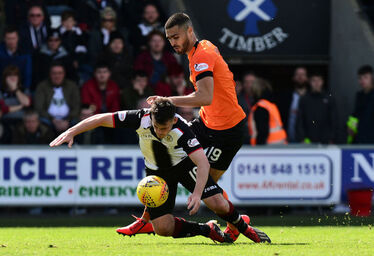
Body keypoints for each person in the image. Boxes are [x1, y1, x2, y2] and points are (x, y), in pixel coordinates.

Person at [50, 98, 271, 244]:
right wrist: (72, 131)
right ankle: (207, 230)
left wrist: (196, 194)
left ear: (174, 120)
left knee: (218, 203)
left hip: (184, 167)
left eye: (164, 128)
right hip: (157, 174)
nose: (159, 132)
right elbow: (101, 118)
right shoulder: (140, 117)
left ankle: (246, 230)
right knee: (163, 229)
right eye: (156, 126)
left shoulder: (183, 130)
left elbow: (203, 164)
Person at [121, 13, 247, 242]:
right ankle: (146, 219)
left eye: (176, 37)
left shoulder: (202, 55)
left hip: (227, 132)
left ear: (190, 31)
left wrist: (167, 100)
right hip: (207, 122)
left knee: (209, 188)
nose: (173, 43)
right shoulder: (200, 51)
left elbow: (205, 96)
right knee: (167, 154)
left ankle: (236, 223)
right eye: (169, 39)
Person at [34, 62, 80, 134]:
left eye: (60, 73)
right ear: (50, 74)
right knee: (39, 122)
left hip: (69, 119)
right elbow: (39, 108)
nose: (57, 76)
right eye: (54, 73)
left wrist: (67, 120)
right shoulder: (42, 86)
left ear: (64, 74)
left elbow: (77, 106)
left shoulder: (72, 86)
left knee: (79, 122)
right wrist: (53, 120)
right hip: (48, 119)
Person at [296, 73, 338, 144]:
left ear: (322, 82)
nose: (316, 83)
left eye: (319, 80)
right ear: (309, 82)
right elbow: (300, 120)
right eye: (314, 81)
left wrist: (332, 138)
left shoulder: (329, 98)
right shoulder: (304, 99)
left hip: (326, 140)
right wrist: (301, 138)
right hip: (308, 140)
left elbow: (334, 119)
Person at [248, 78, 287, 145]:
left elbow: (263, 131)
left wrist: (258, 147)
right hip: (280, 144)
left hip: (268, 147)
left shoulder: (261, 107)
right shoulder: (270, 105)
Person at [276, 66, 309, 143]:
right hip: (287, 140)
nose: (300, 77)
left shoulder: (312, 98)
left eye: (303, 74)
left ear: (307, 78)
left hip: (307, 141)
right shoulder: (285, 97)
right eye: (298, 74)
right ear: (293, 78)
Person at [347, 65, 374, 144]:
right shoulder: (359, 95)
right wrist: (350, 126)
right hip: (359, 139)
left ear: (372, 78)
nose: (362, 81)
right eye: (360, 78)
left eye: (365, 77)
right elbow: (356, 115)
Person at [0, 26, 33, 90]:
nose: (11, 41)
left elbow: (28, 74)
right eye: (9, 38)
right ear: (4, 39)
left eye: (13, 38)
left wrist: (25, 88)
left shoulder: (25, 53)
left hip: (21, 88)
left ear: (18, 38)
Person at [237, 71, 256, 144]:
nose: (249, 85)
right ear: (243, 85)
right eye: (246, 82)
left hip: (257, 136)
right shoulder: (237, 100)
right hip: (244, 137)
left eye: (252, 82)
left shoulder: (261, 99)